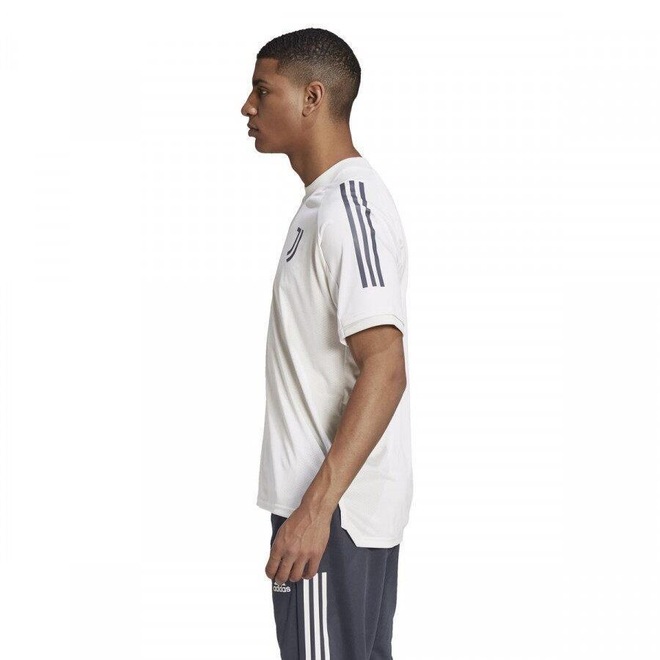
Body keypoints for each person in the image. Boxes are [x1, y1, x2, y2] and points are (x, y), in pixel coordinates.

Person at [241, 27, 413, 660]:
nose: (247, 106)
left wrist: (315, 511)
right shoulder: (323, 206)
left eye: (263, 90)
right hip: (330, 512)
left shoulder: (348, 208)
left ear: (312, 97)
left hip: (330, 516)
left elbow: (385, 367)